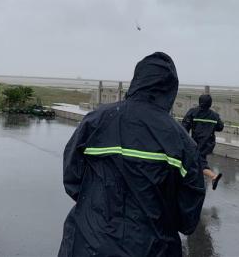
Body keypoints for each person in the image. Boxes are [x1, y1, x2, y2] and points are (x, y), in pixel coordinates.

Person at [58, 52, 206, 257]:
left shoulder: (97, 120)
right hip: (154, 248)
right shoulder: (181, 141)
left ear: (137, 81)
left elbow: (72, 178)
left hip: (87, 244)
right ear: (170, 90)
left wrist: (96, 206)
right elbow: (188, 216)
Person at [181, 94, 224, 190]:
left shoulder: (193, 112)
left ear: (199, 102)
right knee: (198, 161)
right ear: (210, 104)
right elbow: (220, 127)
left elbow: (184, 127)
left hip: (196, 142)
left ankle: (213, 176)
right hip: (209, 144)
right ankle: (197, 181)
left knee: (199, 162)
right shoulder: (214, 115)